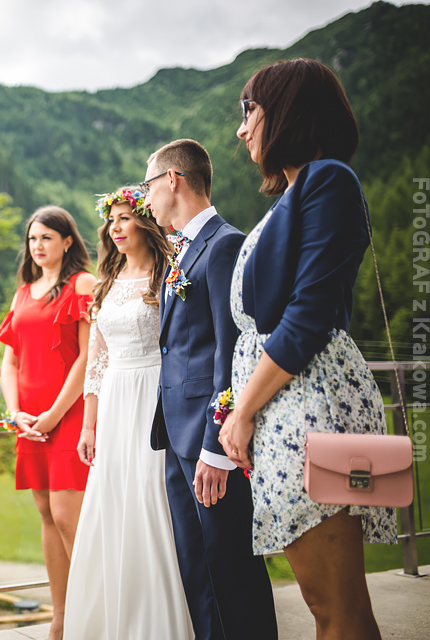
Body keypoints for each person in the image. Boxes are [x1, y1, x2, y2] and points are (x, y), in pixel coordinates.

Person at [219, 58, 397, 640]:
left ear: (286, 111)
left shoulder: (328, 180)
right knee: (325, 604)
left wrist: (242, 411)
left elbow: (307, 318)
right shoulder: (296, 192)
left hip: (312, 405)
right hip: (287, 406)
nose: (241, 128)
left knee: (337, 605)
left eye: (249, 111)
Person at [145, 138, 277, 640]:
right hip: (174, 434)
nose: (147, 198)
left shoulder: (224, 245)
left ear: (172, 179)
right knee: (196, 570)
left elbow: (231, 351)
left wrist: (216, 448)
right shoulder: (181, 250)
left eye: (149, 185)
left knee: (231, 568)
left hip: (210, 439)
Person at [63, 186, 192, 639]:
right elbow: (96, 363)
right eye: (111, 220)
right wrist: (88, 426)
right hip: (115, 400)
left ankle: (156, 620)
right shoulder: (107, 281)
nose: (115, 228)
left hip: (154, 395)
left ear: (145, 221)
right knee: (112, 498)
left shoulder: (168, 275)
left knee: (151, 496)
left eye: (124, 218)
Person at [0, 205, 95, 640]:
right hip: (29, 423)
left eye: (47, 238)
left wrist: (53, 415)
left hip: (69, 416)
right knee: (47, 516)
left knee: (68, 517)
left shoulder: (82, 284)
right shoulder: (22, 293)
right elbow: (10, 362)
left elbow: (88, 358)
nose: (37, 246)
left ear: (67, 241)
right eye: (33, 238)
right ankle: (61, 618)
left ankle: (96, 617)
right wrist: (15, 413)